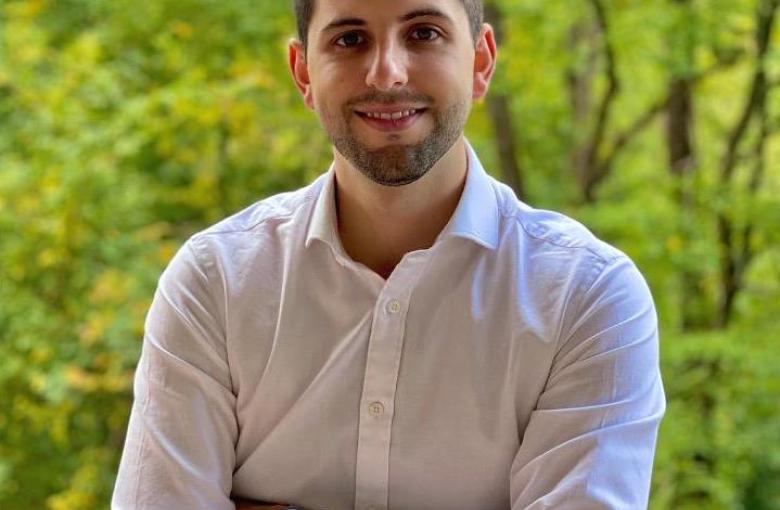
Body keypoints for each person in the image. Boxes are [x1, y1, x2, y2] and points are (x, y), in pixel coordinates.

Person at [112, 0, 666, 508]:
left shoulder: (587, 298)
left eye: (423, 33)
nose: (387, 73)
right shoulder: (215, 282)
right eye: (350, 40)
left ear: (480, 62)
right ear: (304, 72)